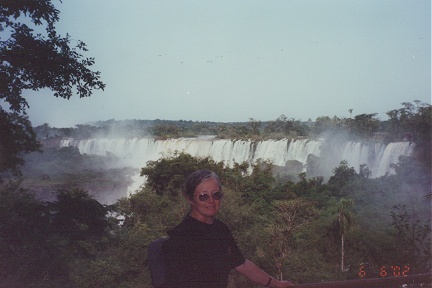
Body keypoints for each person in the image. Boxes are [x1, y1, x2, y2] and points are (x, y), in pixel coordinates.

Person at [162, 169, 294, 288]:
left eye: (216, 195)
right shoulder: (182, 236)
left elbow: (241, 264)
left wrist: (275, 283)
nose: (211, 201)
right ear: (190, 199)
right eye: (203, 196)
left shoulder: (220, 229)